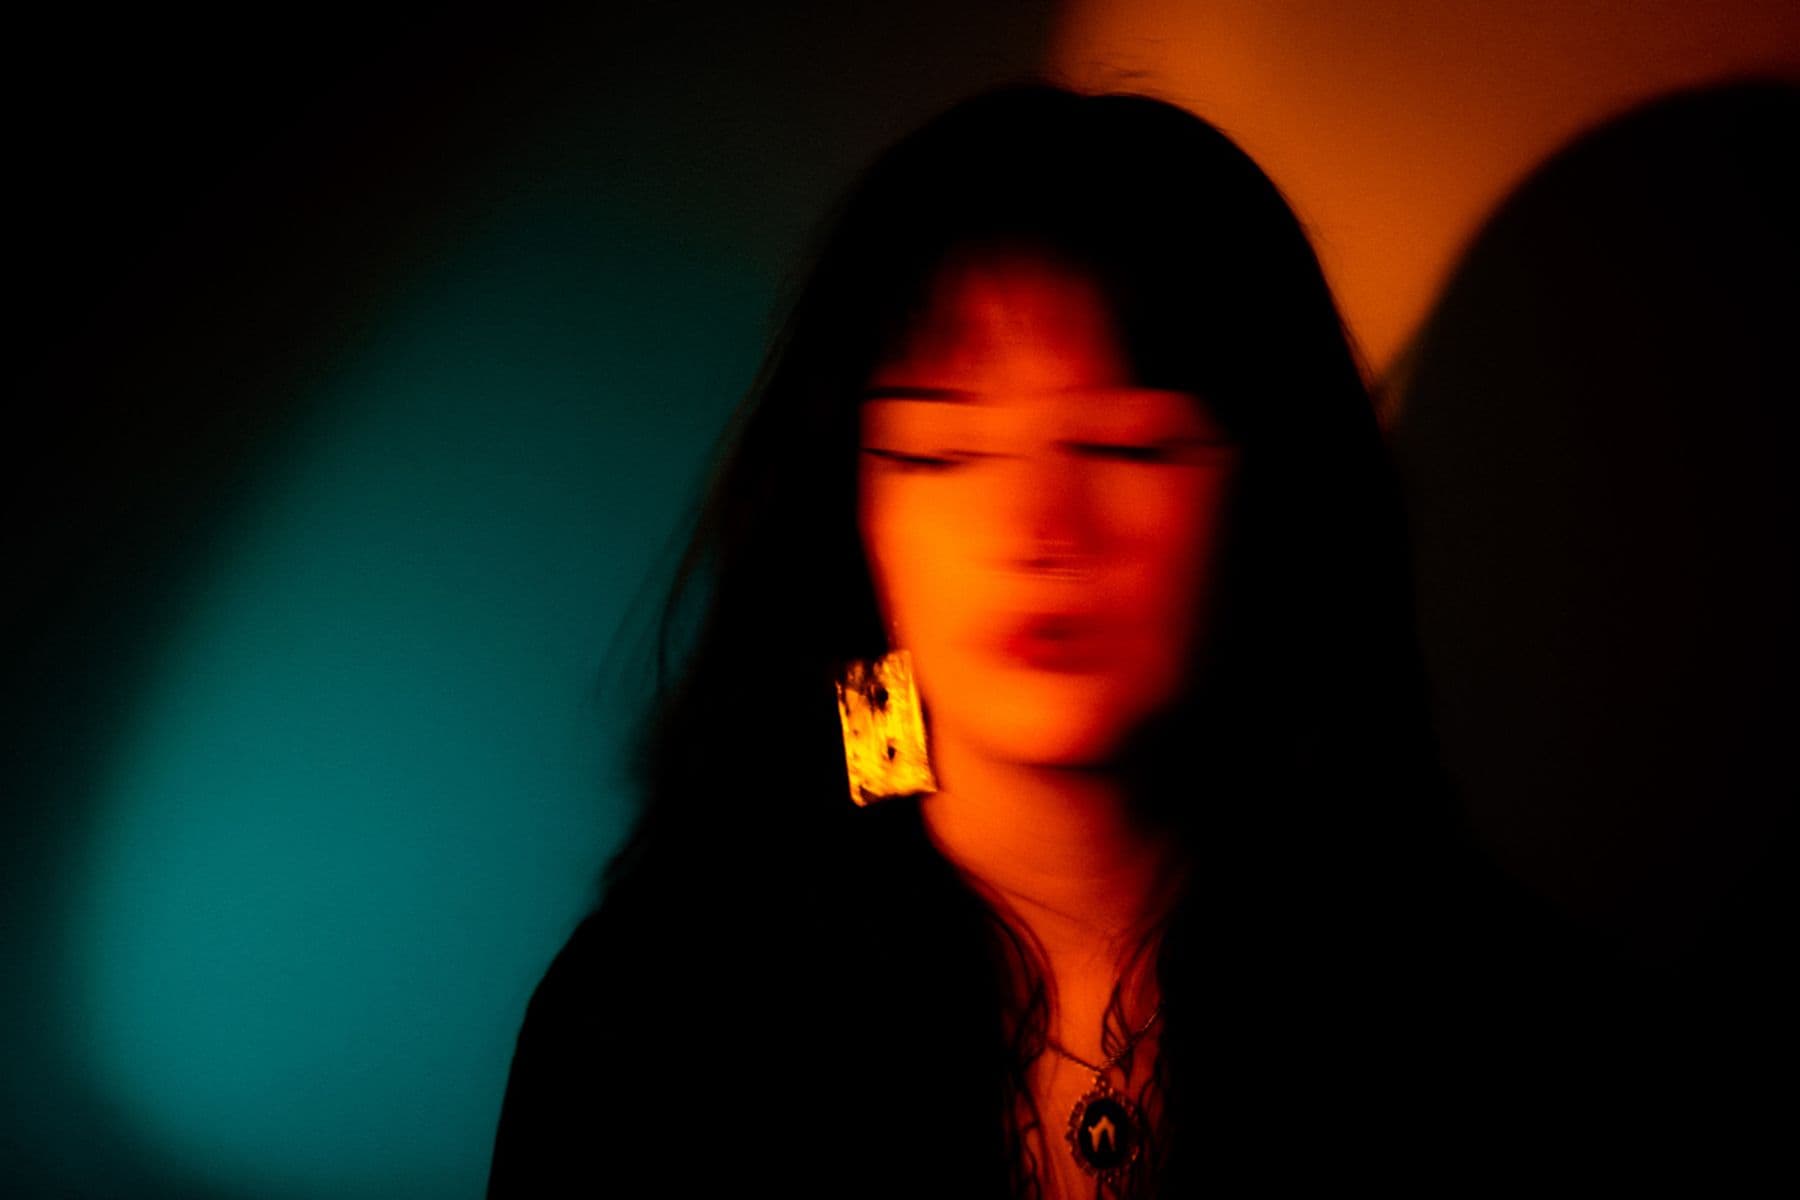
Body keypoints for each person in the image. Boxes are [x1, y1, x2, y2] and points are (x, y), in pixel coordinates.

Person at [487, 81, 1559, 1198]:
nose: (1037, 528)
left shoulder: (1496, 1026)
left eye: (1130, 447)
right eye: (941, 455)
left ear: (1275, 500)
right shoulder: (651, 1022)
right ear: (849, 524)